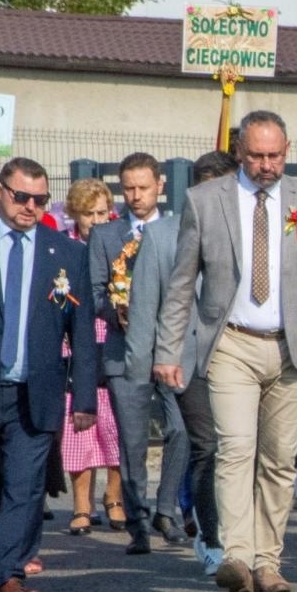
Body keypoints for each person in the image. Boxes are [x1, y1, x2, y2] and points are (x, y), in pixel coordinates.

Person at [154, 110, 297, 592]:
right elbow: (182, 282)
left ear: (287, 152)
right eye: (257, 155)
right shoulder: (205, 201)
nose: (266, 165)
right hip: (231, 343)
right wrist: (168, 349)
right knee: (235, 448)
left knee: (279, 459)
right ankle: (237, 556)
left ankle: (269, 561)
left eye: (276, 156)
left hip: (291, 346)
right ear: (241, 152)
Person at [0, 158, 98, 592]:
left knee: (24, 488)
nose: (31, 207)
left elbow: (81, 331)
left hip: (36, 390)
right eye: (22, 196)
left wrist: (84, 397)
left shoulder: (64, 252)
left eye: (40, 200)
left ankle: (7, 576)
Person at [128, 150, 238, 576]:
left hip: (240, 353)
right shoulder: (162, 237)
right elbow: (144, 308)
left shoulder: (251, 236)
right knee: (209, 445)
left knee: (242, 447)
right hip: (189, 361)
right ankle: (211, 537)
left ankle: (244, 537)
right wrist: (144, 373)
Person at [90, 152, 188, 554]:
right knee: (131, 443)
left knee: (180, 429)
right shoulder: (106, 236)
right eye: (128, 188)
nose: (135, 195)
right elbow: (95, 292)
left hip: (170, 349)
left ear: (160, 186)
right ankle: (139, 523)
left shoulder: (177, 230)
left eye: (143, 187)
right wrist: (118, 310)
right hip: (123, 350)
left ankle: (166, 508)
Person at [56, 177, 124, 538]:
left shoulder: (120, 245)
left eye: (102, 213)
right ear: (74, 214)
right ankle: (82, 504)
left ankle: (115, 497)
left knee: (114, 423)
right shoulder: (65, 249)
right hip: (75, 343)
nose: (97, 221)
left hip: (110, 336)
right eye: (89, 213)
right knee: (79, 426)